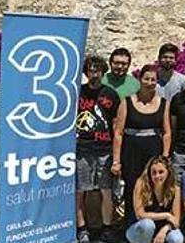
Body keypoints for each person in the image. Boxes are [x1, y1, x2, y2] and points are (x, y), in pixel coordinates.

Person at [113, 65, 172, 223]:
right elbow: (118, 133)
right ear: (140, 79)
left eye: (153, 79)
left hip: (154, 152)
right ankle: (132, 226)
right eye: (146, 78)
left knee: (154, 187)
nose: (150, 82)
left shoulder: (164, 103)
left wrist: (165, 156)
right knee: (132, 187)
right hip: (131, 152)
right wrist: (116, 161)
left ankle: (153, 225)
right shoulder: (126, 102)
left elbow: (167, 132)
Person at [76, 55, 120, 243]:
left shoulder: (110, 94)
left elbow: (117, 126)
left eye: (97, 70)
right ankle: (82, 228)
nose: (94, 73)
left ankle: (107, 228)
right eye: (90, 70)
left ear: (103, 71)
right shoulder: (78, 92)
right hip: (82, 148)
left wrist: (116, 156)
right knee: (80, 190)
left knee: (106, 190)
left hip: (104, 149)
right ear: (86, 72)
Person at [125, 156, 185, 243]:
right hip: (139, 230)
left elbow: (176, 220)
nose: (157, 176)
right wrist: (166, 215)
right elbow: (140, 215)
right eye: (154, 172)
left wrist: (165, 229)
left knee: (177, 238)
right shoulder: (141, 184)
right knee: (148, 224)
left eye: (161, 172)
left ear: (168, 172)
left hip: (162, 227)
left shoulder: (175, 190)